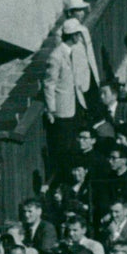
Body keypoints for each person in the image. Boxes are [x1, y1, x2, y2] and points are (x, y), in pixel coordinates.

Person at [44, 21, 90, 165]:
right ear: (73, 36)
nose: (79, 38)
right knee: (65, 146)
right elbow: (49, 83)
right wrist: (51, 109)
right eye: (78, 34)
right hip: (63, 109)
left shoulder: (73, 52)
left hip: (76, 103)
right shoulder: (56, 56)